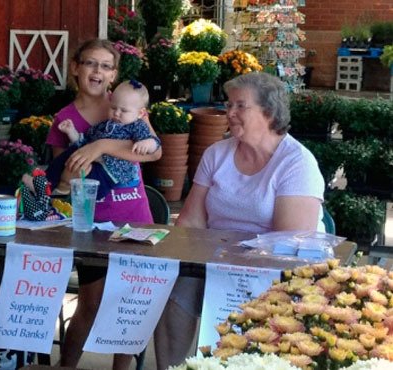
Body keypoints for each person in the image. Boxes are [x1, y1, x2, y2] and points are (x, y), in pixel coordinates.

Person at [153, 72, 325, 370]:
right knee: (172, 289)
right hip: (212, 259)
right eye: (228, 104)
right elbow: (192, 221)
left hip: (272, 269)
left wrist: (230, 259)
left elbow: (291, 240)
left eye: (239, 106)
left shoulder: (297, 162)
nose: (229, 113)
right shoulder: (216, 154)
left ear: (269, 112)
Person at [46, 39, 162, 370]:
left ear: (114, 75)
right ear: (75, 69)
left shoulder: (128, 101)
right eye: (90, 64)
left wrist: (102, 146)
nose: (98, 71)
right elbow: (65, 179)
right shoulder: (65, 119)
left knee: (130, 302)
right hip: (94, 224)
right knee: (91, 302)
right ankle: (67, 365)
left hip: (136, 218)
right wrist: (80, 161)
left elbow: (154, 151)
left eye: (106, 66)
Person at [25, 80, 160, 200]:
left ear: (140, 113)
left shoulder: (137, 125)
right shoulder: (104, 125)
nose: (117, 113)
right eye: (113, 108)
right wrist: (72, 133)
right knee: (70, 153)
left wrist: (147, 143)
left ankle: (58, 193)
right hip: (93, 164)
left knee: (82, 170)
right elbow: (85, 143)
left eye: (124, 111)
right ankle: (43, 183)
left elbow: (155, 143)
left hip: (108, 174)